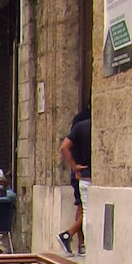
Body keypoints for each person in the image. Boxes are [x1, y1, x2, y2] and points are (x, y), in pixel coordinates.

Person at [59, 101, 91, 255]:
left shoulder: (78, 125)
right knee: (85, 209)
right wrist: (74, 167)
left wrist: (73, 166)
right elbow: (64, 147)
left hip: (80, 173)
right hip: (85, 174)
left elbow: (64, 146)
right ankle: (71, 236)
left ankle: (80, 243)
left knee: (83, 208)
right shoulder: (88, 125)